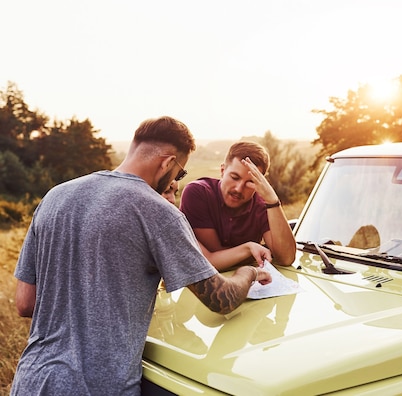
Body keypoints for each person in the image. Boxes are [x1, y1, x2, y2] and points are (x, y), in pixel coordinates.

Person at [11, 116, 271, 396]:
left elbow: (25, 302)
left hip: (32, 379)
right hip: (98, 387)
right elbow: (222, 299)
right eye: (180, 173)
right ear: (167, 163)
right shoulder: (159, 213)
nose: (175, 181)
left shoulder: (55, 197)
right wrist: (250, 272)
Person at [179, 141, 296, 271]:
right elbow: (210, 256)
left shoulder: (263, 204)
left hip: (250, 284)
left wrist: (272, 200)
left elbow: (286, 258)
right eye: (235, 177)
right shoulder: (198, 193)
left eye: (250, 182)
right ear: (223, 171)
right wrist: (249, 249)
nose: (239, 189)